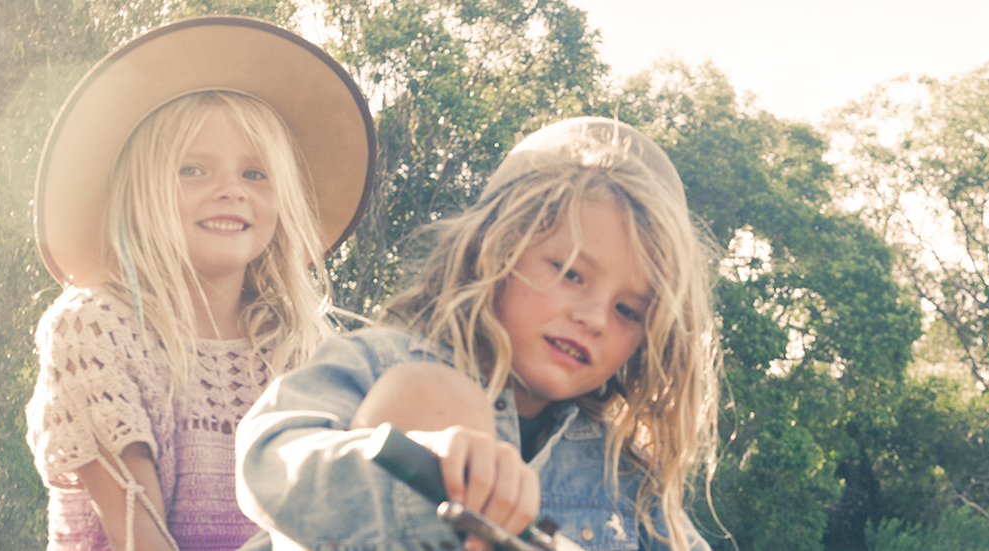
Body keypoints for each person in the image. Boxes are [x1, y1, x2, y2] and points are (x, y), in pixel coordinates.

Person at [235, 117, 719, 551]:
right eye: (571, 272)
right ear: (496, 249)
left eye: (628, 310)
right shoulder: (382, 359)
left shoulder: (621, 473)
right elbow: (270, 461)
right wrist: (422, 461)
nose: (594, 318)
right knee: (432, 393)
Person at [24, 16, 376, 551]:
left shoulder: (303, 348)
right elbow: (137, 534)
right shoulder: (93, 331)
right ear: (140, 192)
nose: (230, 191)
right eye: (194, 170)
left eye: (255, 174)